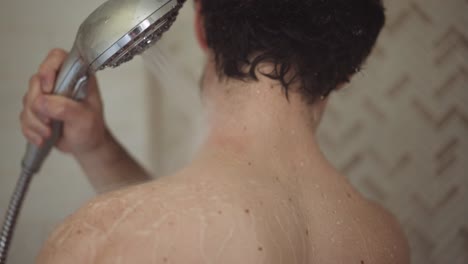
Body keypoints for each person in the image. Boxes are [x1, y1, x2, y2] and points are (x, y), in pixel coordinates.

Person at [21, 0, 410, 263]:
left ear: (201, 26)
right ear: (345, 73)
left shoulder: (95, 240)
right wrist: (98, 148)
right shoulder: (385, 240)